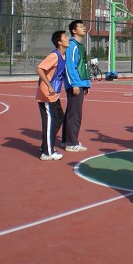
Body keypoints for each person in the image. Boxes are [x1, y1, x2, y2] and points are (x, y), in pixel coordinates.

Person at [36, 30, 69, 161]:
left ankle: (46, 145)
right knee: (50, 121)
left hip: (54, 94)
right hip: (47, 94)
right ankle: (47, 153)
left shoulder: (63, 56)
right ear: (59, 42)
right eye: (65, 37)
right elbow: (39, 69)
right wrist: (49, 85)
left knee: (59, 117)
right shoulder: (54, 56)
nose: (68, 38)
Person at [62, 20, 91, 152]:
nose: (84, 28)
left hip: (80, 83)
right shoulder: (72, 45)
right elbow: (70, 66)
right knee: (74, 114)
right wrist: (75, 84)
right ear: (74, 31)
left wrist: (86, 83)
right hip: (75, 84)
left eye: (83, 26)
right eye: (80, 26)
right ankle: (71, 143)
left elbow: (83, 65)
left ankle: (66, 140)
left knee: (71, 112)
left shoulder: (80, 45)